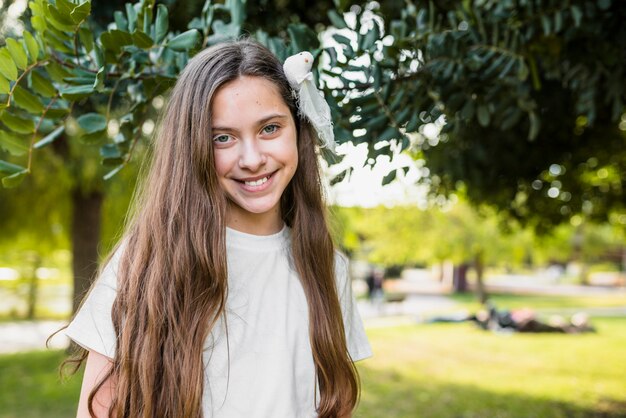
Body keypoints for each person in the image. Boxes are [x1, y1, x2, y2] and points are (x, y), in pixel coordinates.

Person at [61, 39, 372, 418]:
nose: (253, 159)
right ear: (192, 147)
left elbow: (335, 405)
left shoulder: (327, 267)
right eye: (222, 138)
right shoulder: (144, 262)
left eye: (270, 128)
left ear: (297, 130)